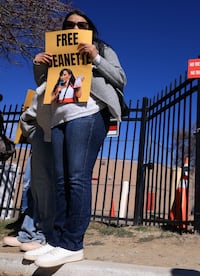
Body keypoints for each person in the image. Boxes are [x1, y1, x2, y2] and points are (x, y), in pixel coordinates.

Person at [24, 9, 127, 268]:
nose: (75, 27)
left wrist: (96, 58)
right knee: (59, 180)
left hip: (89, 112)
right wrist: (39, 64)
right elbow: (45, 84)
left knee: (77, 178)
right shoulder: (56, 49)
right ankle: (56, 240)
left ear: (89, 29)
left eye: (81, 24)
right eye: (69, 24)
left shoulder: (101, 47)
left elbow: (121, 79)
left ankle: (72, 244)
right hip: (58, 117)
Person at [3, 84, 55, 252]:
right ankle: (27, 233)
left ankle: (42, 234)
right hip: (39, 135)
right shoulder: (46, 84)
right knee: (29, 184)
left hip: (54, 134)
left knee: (45, 187)